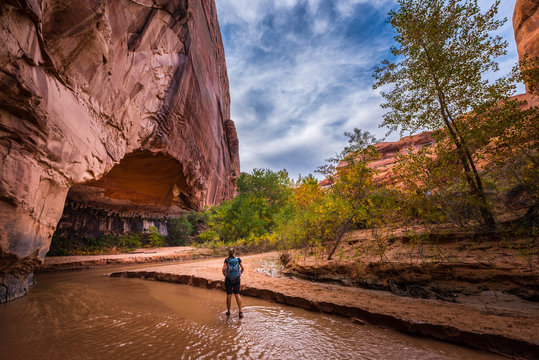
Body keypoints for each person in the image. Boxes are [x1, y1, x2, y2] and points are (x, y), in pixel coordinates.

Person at [222, 247, 245, 318]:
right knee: (237, 294)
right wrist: (239, 274)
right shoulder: (238, 259)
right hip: (237, 279)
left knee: (229, 295)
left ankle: (228, 312)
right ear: (234, 252)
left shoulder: (226, 260)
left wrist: (226, 276)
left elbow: (223, 269)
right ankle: (240, 312)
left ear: (228, 253)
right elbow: (243, 268)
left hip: (228, 279)